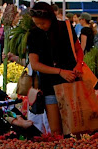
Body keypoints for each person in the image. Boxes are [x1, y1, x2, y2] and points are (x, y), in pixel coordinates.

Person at [27, 2, 84, 135]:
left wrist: (78, 64)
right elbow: (35, 64)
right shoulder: (34, 34)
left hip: (71, 82)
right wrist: (60, 72)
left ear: (50, 18)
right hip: (49, 85)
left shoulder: (65, 28)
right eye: (37, 23)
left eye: (43, 23)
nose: (40, 26)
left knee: (75, 128)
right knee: (56, 130)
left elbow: (78, 50)